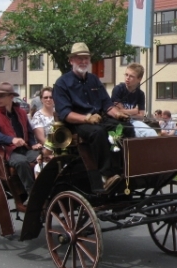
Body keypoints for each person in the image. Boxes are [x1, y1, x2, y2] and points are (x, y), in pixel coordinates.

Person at [53, 43, 130, 193]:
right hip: (77, 124)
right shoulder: (62, 83)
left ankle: (126, 169)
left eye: (86, 58)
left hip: (100, 119)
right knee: (98, 133)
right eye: (79, 59)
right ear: (71, 61)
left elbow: (107, 105)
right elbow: (65, 113)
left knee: (126, 128)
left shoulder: (94, 79)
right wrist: (87, 118)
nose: (83, 62)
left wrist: (118, 114)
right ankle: (105, 175)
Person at [0, 82, 43, 196]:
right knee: (21, 162)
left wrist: (33, 144)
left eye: (2, 96)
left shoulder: (21, 112)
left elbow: (29, 132)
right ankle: (32, 194)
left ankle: (47, 188)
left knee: (45, 157)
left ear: (11, 97)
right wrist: (11, 140)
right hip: (8, 151)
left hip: (26, 149)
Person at [111, 62, 157, 137]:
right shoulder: (118, 89)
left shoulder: (140, 94)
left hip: (134, 121)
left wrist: (124, 111)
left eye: (131, 76)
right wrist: (134, 111)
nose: (127, 78)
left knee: (152, 133)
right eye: (126, 75)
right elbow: (116, 112)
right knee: (134, 134)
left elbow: (141, 116)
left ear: (139, 79)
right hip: (118, 122)